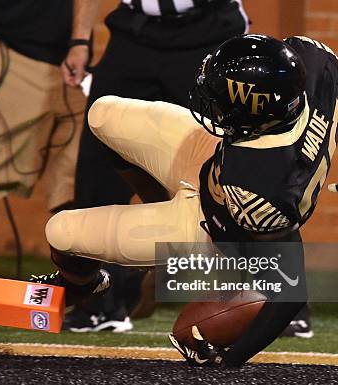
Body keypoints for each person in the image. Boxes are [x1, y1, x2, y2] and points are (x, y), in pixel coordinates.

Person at [34, 34, 338, 366]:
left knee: (61, 231)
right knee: (102, 113)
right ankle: (139, 230)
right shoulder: (308, 68)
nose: (209, 98)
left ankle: (85, 285)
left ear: (253, 111)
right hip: (215, 157)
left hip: (210, 227)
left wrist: (234, 359)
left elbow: (292, 293)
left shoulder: (267, 188)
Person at [60, 0, 250, 332]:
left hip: (206, 33)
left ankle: (267, 296)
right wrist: (80, 39)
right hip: (135, 34)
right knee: (98, 158)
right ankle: (97, 298)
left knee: (232, 166)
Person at [0, 0, 87, 276]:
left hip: (73, 58)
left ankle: (80, 280)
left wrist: (80, 41)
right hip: (7, 50)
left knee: (76, 180)